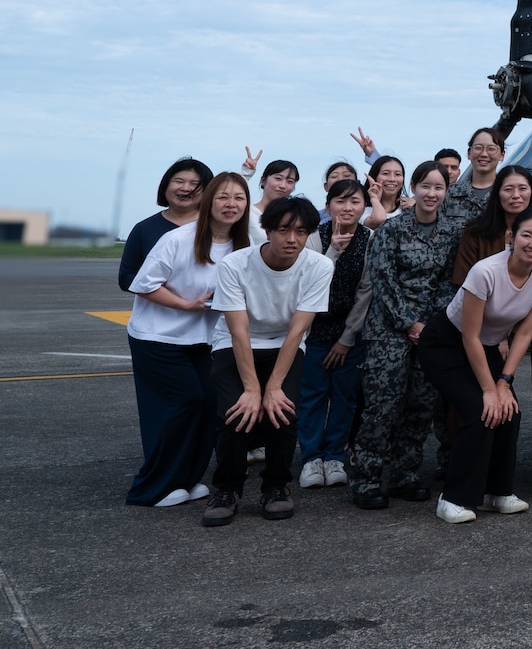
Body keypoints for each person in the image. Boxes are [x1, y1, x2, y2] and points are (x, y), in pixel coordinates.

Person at [419, 208, 532, 522]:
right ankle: (453, 499)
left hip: (487, 346)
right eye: (527, 235)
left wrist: (504, 383)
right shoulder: (486, 271)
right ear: (511, 237)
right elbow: (470, 336)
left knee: (509, 412)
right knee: (479, 410)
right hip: (445, 343)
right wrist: (488, 389)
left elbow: (524, 332)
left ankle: (495, 493)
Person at [202, 196, 332, 526]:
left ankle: (276, 487)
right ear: (268, 230)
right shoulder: (235, 265)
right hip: (235, 343)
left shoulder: (319, 266)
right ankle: (227, 489)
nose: (292, 239)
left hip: (285, 343)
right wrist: (251, 389)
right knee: (236, 411)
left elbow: (298, 329)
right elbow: (238, 330)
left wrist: (273, 388)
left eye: (301, 232)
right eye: (284, 230)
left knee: (283, 411)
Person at [124, 171, 247, 507]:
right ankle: (153, 487)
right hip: (158, 337)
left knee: (208, 405)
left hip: (203, 340)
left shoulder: (245, 244)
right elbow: (143, 284)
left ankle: (186, 480)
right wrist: (187, 305)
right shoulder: (178, 239)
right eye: (222, 197)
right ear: (208, 200)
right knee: (184, 402)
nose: (230, 204)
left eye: (238, 198)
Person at [349, 160, 461, 509]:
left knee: (420, 406)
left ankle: (404, 474)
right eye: (425, 186)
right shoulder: (391, 231)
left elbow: (449, 282)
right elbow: (383, 282)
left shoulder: (452, 232)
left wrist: (428, 325)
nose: (431, 193)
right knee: (382, 407)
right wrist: (410, 323)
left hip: (430, 332)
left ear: (446, 192)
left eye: (438, 187)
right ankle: (366, 478)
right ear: (413, 188)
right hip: (388, 332)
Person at [297, 179, 373, 489]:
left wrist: (346, 338)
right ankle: (311, 459)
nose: (347, 208)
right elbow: (306, 283)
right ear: (328, 206)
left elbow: (366, 292)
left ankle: (334, 458)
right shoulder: (313, 238)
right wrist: (332, 252)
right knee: (312, 396)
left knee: (345, 398)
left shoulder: (370, 239)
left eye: (355, 202)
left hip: (349, 333)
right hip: (314, 330)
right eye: (340, 201)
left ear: (364, 206)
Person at [119, 158, 214, 293]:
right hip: (155, 311)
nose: (186, 188)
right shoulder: (144, 228)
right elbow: (126, 278)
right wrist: (164, 290)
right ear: (165, 186)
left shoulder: (217, 228)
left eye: (195, 184)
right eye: (178, 181)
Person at [452, 165, 532, 285]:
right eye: (508, 189)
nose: (516, 195)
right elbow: (462, 280)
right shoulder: (475, 232)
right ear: (497, 193)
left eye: (523, 188)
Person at [447, 128, 508, 225]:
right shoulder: (448, 193)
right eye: (478, 148)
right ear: (469, 153)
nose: (484, 154)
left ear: (502, 155)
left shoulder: (509, 194)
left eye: (491, 149)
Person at [362, 155, 408, 230]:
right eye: (385, 173)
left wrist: (416, 208)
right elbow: (378, 220)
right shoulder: (363, 210)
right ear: (374, 176)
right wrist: (374, 199)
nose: (392, 179)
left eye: (398, 174)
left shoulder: (409, 208)